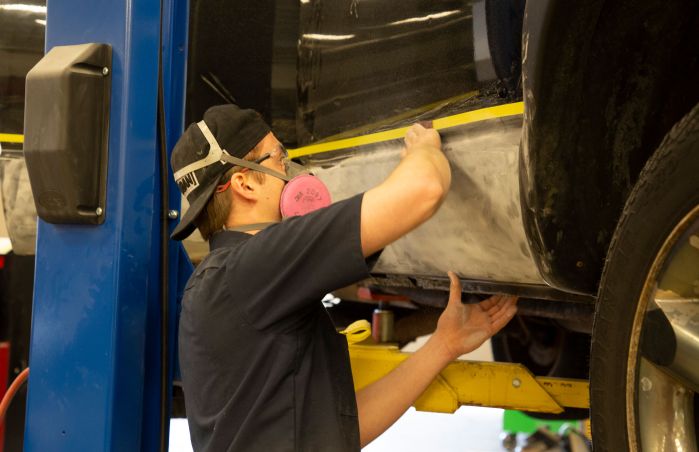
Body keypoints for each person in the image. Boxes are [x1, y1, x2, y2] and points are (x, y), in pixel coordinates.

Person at [170, 104, 518, 451]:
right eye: (279, 157)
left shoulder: (226, 285)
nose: (291, 171)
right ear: (244, 183)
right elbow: (423, 190)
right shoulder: (248, 270)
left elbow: (340, 431)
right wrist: (424, 149)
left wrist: (442, 346)